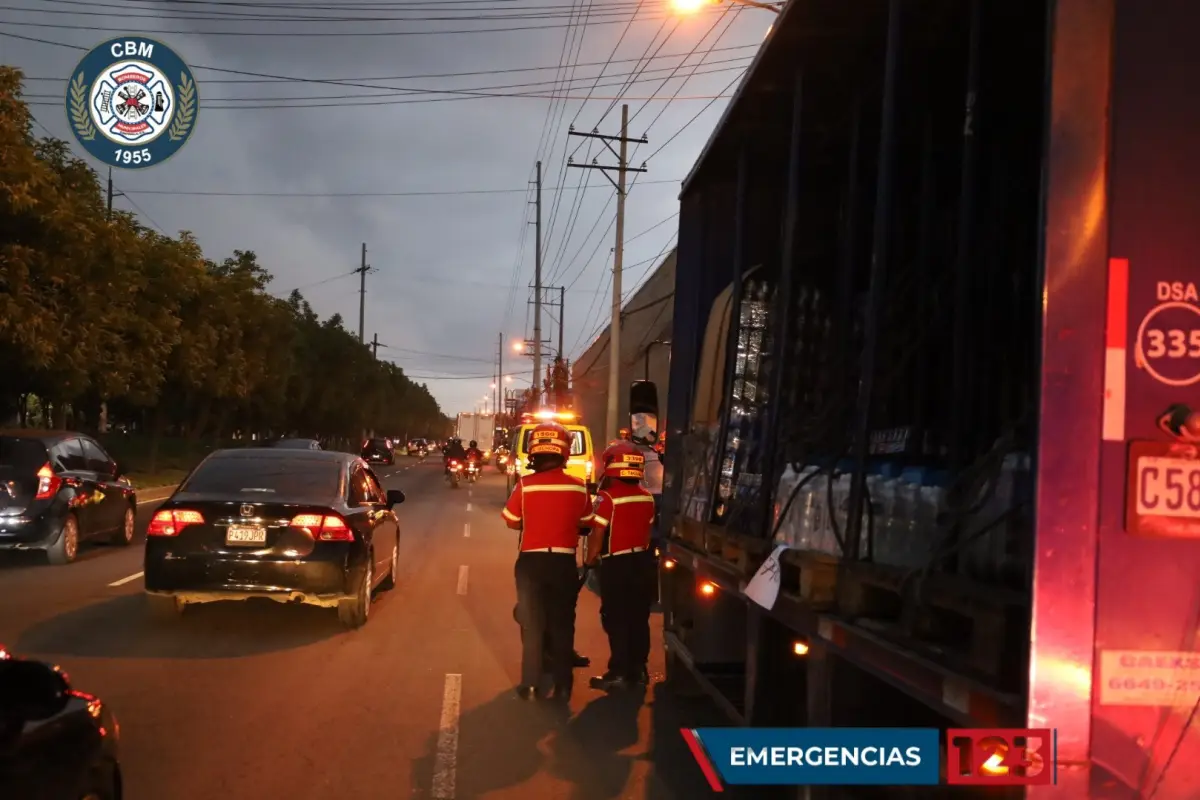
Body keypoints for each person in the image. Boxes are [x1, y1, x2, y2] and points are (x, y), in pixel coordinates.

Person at [501, 421, 592, 702]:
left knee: (532, 624)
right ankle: (564, 688)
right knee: (563, 625)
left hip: (531, 564)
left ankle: (529, 686)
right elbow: (586, 523)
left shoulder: (525, 485)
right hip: (563, 564)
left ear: (534, 452)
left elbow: (511, 521)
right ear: (564, 453)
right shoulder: (578, 487)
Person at [584, 441, 657, 691]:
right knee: (638, 617)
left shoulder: (607, 497)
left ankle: (618, 672)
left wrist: (590, 558)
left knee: (615, 618)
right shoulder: (647, 496)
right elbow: (647, 530)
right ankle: (639, 670)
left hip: (617, 564)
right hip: (643, 562)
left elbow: (597, 533)